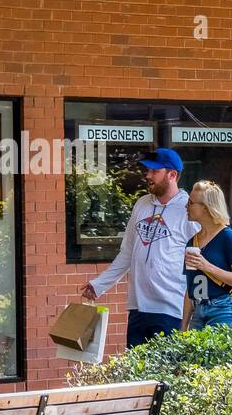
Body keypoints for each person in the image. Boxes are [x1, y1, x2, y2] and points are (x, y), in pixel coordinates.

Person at [81, 148, 200, 347]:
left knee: (166, 373)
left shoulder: (188, 209)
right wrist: (99, 284)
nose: (148, 176)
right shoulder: (142, 204)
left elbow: (201, 258)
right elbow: (128, 251)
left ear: (172, 174)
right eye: (148, 171)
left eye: (155, 171)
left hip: (171, 308)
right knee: (137, 374)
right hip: (138, 307)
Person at [182, 180, 232, 331]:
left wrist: (207, 266)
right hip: (199, 309)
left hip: (223, 308)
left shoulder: (228, 237)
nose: (186, 206)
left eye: (191, 202)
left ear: (206, 208)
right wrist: (183, 326)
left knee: (220, 354)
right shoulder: (192, 242)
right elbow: (190, 287)